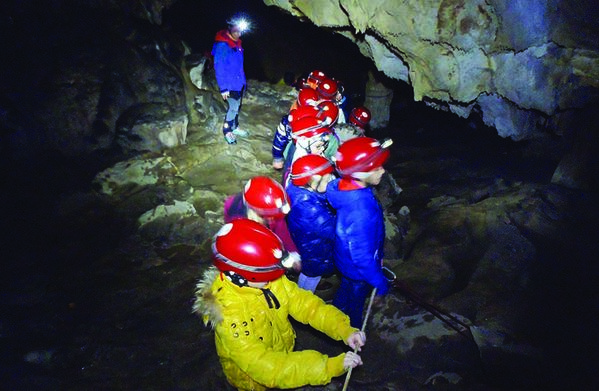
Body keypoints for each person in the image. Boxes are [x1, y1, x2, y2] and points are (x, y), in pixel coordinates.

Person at [193, 218, 365, 391]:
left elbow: (307, 306)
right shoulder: (229, 316)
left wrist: (344, 329)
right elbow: (268, 368)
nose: (273, 279)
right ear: (239, 276)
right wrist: (327, 367)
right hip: (253, 380)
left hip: (281, 347)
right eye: (265, 275)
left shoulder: (268, 279)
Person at [326, 137, 393, 328]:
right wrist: (380, 283)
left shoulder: (343, 187)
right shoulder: (361, 210)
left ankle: (335, 314)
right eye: (377, 167)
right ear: (359, 173)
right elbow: (362, 257)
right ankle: (349, 334)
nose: (383, 170)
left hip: (345, 260)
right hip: (357, 269)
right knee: (355, 307)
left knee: (345, 289)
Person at [286, 154, 337, 292]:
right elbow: (334, 231)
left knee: (311, 274)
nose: (332, 181)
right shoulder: (310, 210)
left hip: (307, 243)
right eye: (328, 178)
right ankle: (303, 297)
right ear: (312, 182)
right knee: (311, 275)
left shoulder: (296, 189)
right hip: (314, 251)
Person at [224, 175, 299, 257]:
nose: (271, 220)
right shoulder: (233, 209)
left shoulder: (273, 212)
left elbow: (282, 232)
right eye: (267, 217)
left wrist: (293, 254)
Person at [212, 17, 249, 145]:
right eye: (235, 31)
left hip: (238, 83)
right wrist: (223, 88)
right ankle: (227, 130)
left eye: (240, 31)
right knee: (233, 107)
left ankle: (235, 126)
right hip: (229, 84)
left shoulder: (237, 45)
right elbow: (219, 67)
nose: (238, 34)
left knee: (237, 106)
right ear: (229, 30)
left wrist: (244, 82)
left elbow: (239, 66)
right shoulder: (223, 46)